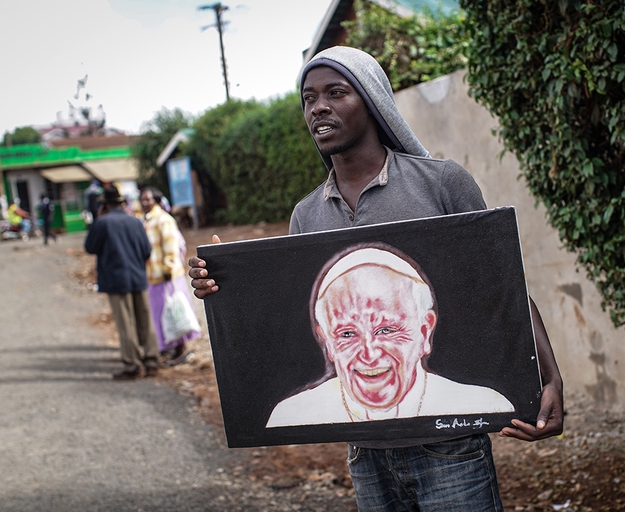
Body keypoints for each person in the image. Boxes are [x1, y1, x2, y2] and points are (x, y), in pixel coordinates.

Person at [190, 46, 563, 511]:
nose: (318, 107)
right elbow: (279, 321)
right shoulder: (307, 214)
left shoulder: (441, 183)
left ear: (372, 100)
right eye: (309, 98)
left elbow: (503, 285)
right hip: (365, 454)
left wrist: (548, 377)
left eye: (335, 93)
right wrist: (224, 287)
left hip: (451, 447)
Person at [267, 243, 513, 427]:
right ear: (328, 343)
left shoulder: (481, 405)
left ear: (424, 331)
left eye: (386, 330)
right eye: (347, 334)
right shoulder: (290, 415)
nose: (369, 355)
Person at [85, 186, 160, 380]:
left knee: (125, 323)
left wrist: (97, 219)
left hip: (115, 279)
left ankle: (132, 365)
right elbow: (146, 250)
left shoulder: (102, 223)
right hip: (137, 277)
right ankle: (151, 360)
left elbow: (90, 247)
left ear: (104, 205)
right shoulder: (135, 221)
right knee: (144, 319)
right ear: (121, 203)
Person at [140, 187, 198, 365]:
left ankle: (181, 350)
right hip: (153, 276)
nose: (144, 203)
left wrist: (168, 269)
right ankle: (172, 349)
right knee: (163, 314)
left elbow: (171, 245)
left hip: (167, 276)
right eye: (142, 199)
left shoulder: (163, 219)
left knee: (175, 312)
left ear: (156, 200)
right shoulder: (147, 220)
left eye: (148, 199)